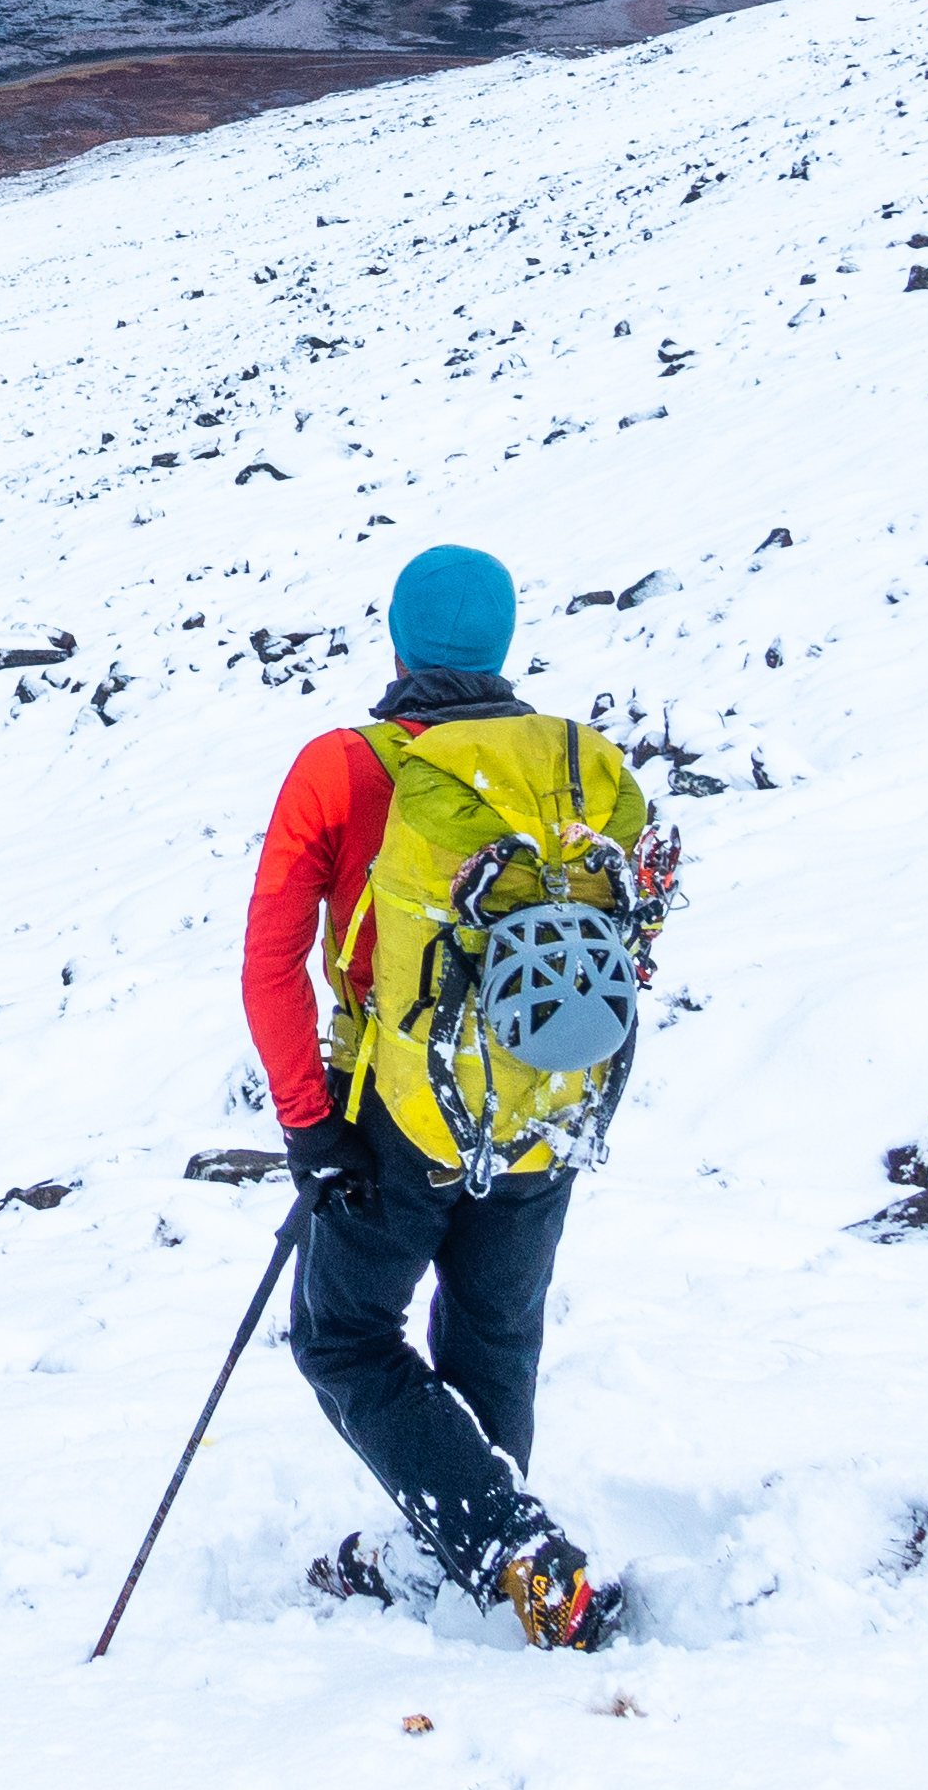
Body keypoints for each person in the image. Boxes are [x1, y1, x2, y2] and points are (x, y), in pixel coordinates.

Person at [235, 542, 658, 1650]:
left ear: (399, 639)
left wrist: (309, 1126)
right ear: (504, 643)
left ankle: (507, 1554)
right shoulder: (572, 771)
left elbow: (270, 962)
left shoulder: (343, 767)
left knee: (342, 1339)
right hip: (546, 1095)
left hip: (395, 1117)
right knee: (494, 1334)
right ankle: (482, 1563)